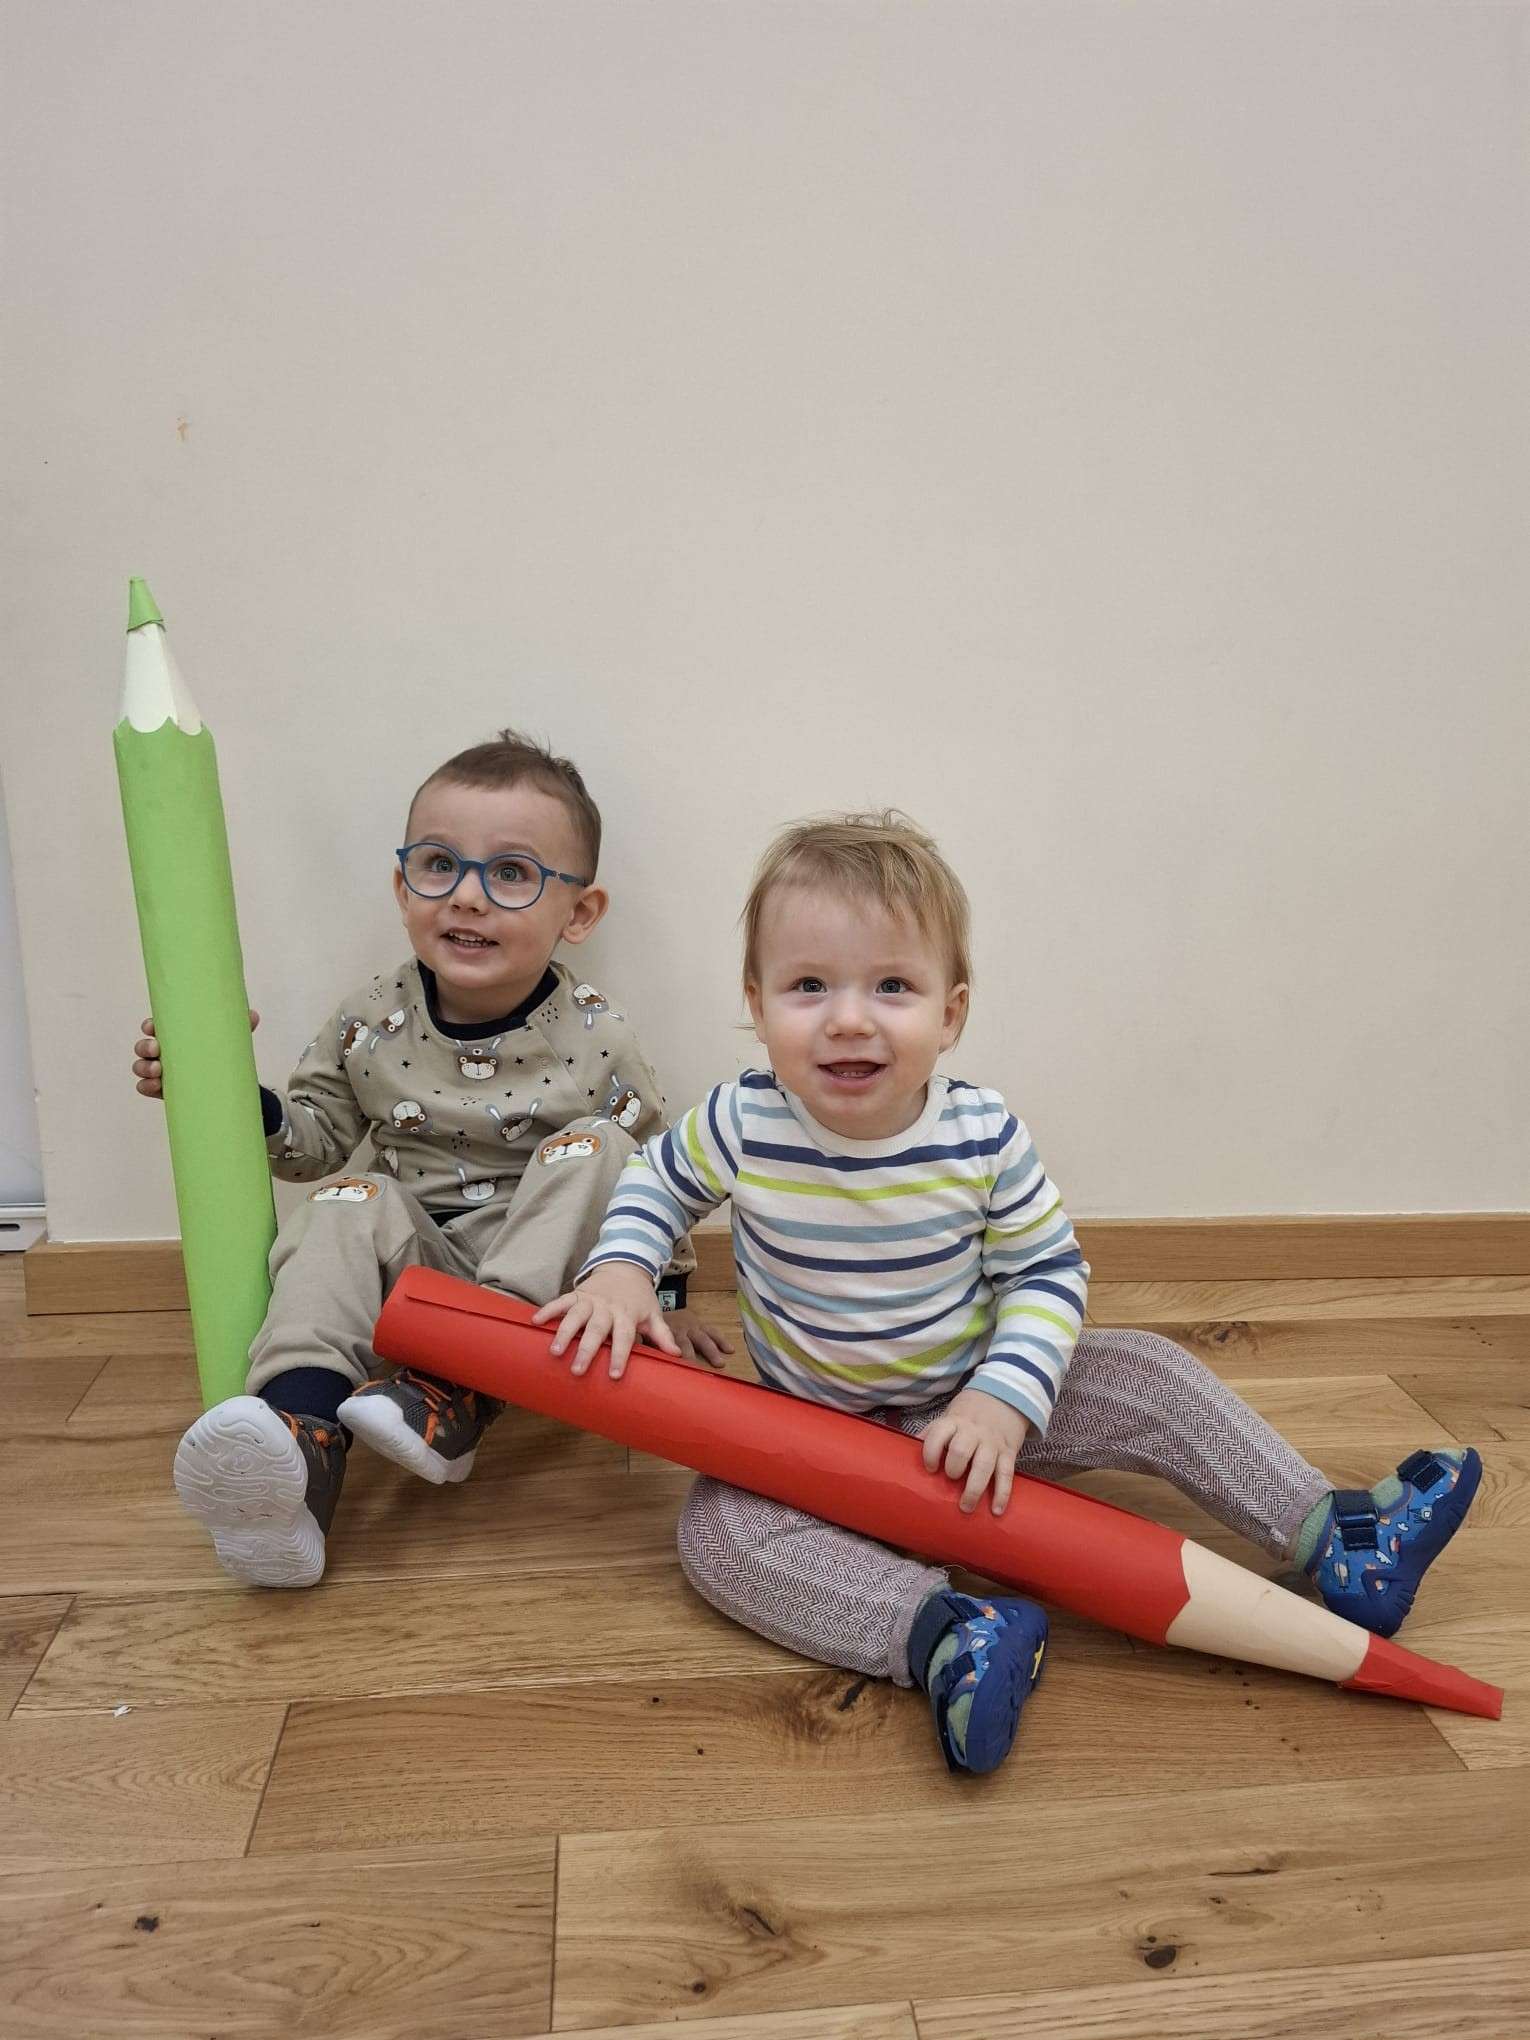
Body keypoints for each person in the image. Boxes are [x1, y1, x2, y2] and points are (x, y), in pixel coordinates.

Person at [540, 812, 1481, 1775]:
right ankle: (948, 1634)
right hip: (814, 1439)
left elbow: (1047, 1272)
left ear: (950, 1014)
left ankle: (1336, 1535)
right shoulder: (742, 1119)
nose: (849, 1018)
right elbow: (655, 1182)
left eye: (892, 987)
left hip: (971, 1417)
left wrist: (1001, 1399)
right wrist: (622, 1268)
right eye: (809, 986)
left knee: (1148, 1371)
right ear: (757, 1002)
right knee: (716, 1534)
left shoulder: (981, 1136)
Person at [132, 729, 722, 1588]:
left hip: (543, 1282)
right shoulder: (369, 1019)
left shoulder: (599, 1033)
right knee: (346, 1199)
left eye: (512, 874)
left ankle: (462, 1386)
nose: (467, 898)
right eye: (439, 865)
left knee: (603, 1146)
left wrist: (661, 1294)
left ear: (579, 914)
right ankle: (296, 1438)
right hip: (423, 1266)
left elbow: (655, 1180)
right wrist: (222, 1092)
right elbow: (312, 1145)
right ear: (402, 887)